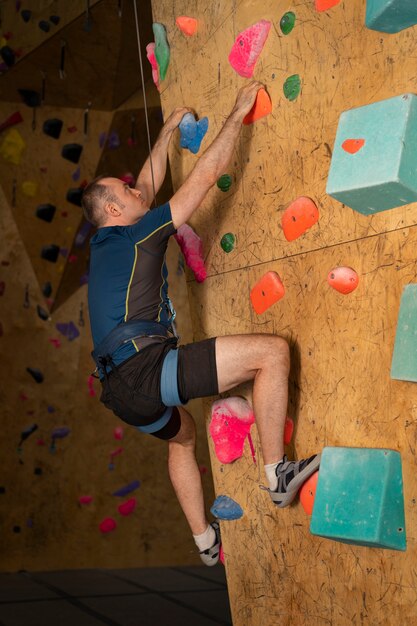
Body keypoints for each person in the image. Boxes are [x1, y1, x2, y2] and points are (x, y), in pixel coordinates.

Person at [82, 81, 320, 567]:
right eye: (125, 191)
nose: (136, 189)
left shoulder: (106, 245)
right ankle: (277, 475)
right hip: (147, 371)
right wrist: (236, 112)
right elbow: (206, 176)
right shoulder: (135, 235)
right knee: (272, 352)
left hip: (119, 391)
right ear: (112, 209)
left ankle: (205, 544)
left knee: (184, 435)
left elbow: (146, 187)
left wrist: (166, 133)